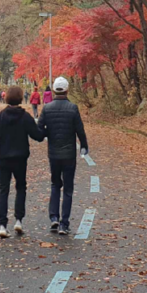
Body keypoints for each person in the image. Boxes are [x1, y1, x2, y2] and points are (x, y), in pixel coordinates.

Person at [0, 86, 45, 238]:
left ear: (6, 98)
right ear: (21, 98)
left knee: (3, 189)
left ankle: (2, 225)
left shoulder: (1, 116)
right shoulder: (25, 117)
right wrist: (45, 128)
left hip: (3, 158)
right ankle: (19, 221)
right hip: (20, 158)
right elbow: (38, 136)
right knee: (21, 187)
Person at [37, 76, 88, 236]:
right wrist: (84, 146)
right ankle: (64, 224)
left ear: (53, 90)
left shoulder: (47, 108)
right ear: (66, 90)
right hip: (69, 154)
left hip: (53, 153)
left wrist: (48, 132)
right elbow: (79, 129)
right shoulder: (73, 108)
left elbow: (39, 132)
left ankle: (54, 217)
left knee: (55, 184)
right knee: (68, 188)